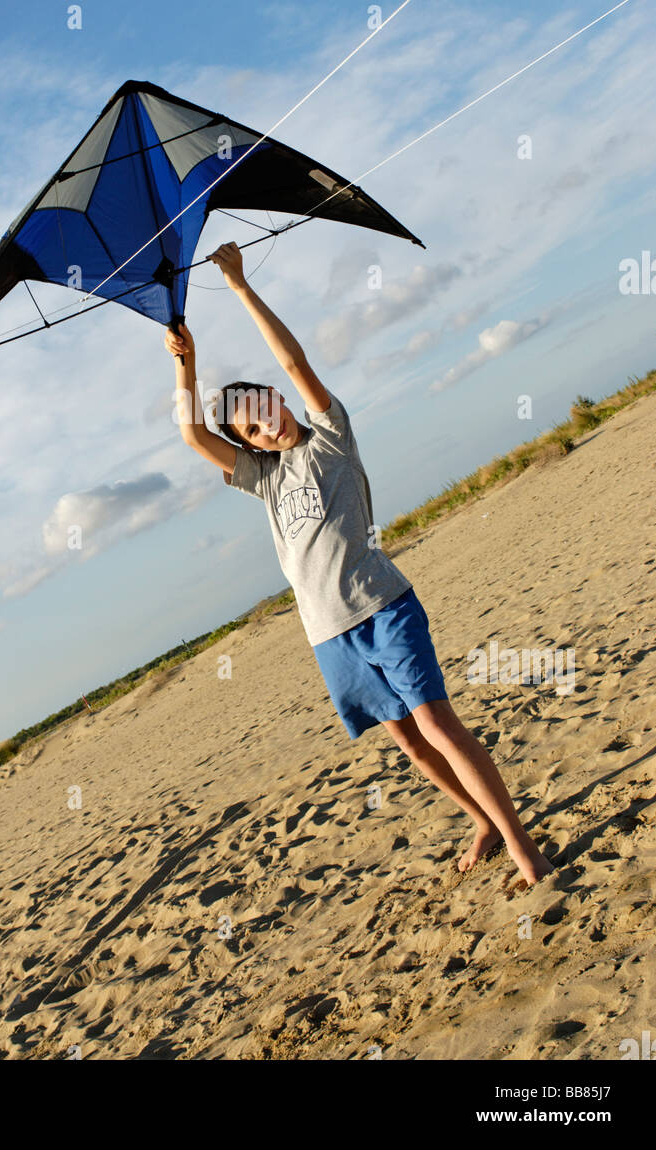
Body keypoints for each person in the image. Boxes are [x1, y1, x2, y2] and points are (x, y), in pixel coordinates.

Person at [164, 241, 554, 888]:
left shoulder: (331, 437)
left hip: (384, 607)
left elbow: (294, 359)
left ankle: (521, 846)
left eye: (268, 410)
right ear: (249, 447)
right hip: (329, 635)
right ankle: (479, 820)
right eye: (253, 431)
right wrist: (188, 364)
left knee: (436, 721)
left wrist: (237, 287)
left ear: (278, 399)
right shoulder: (262, 479)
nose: (268, 428)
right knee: (407, 741)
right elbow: (191, 436)